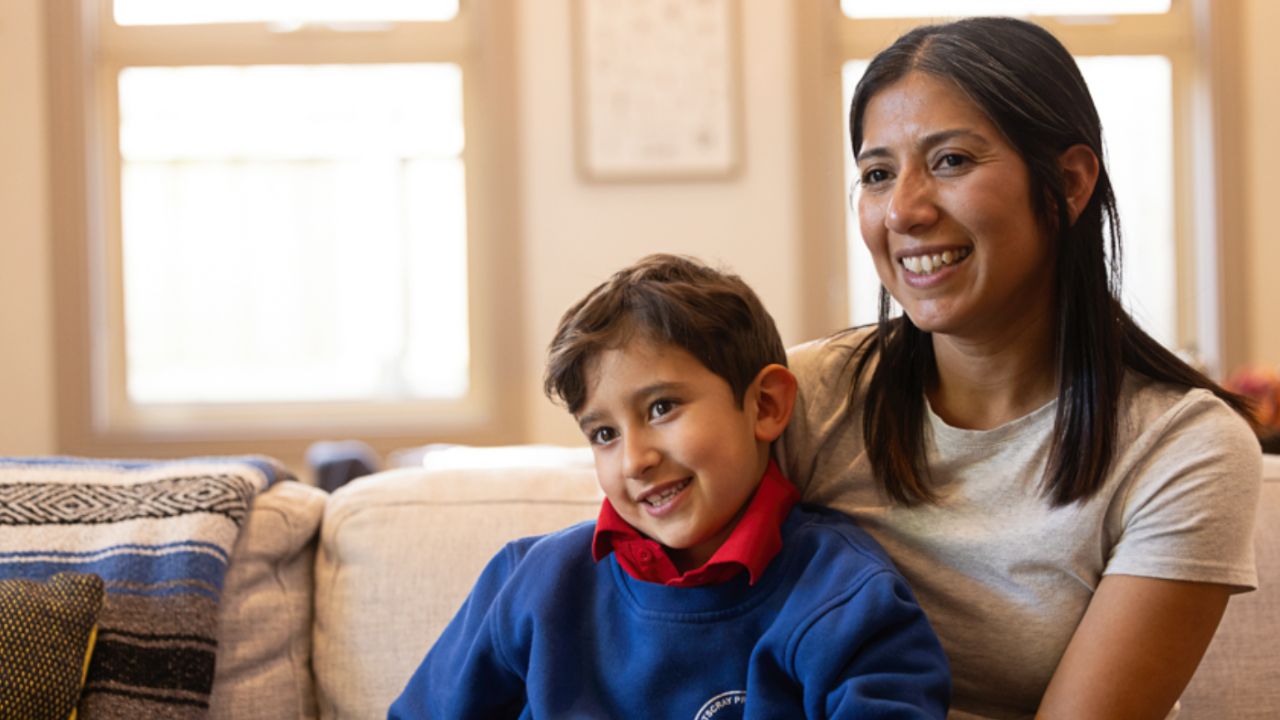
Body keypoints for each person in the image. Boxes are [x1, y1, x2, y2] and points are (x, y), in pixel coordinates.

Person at [778, 16, 1262, 720]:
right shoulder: (802, 400)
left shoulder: (1183, 447)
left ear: (1068, 182)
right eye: (878, 174)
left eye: (950, 161)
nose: (904, 211)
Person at [389, 254, 950, 718]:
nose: (635, 459)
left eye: (661, 407)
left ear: (766, 405)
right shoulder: (532, 583)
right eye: (604, 433)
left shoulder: (845, 595)